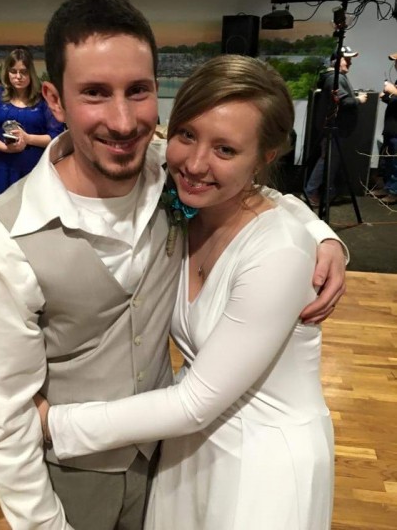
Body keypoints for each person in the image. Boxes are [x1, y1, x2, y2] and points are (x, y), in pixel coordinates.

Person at [0, 0, 346, 530]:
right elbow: (1, 415)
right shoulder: (2, 241)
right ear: (54, 99)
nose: (122, 122)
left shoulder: (170, 173)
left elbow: (253, 191)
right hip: (72, 480)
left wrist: (322, 235)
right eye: (95, 92)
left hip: (172, 463)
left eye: (137, 90)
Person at [36, 54, 335, 530]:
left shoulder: (278, 251)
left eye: (225, 150)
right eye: (186, 135)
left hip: (261, 464)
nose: (194, 164)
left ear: (265, 157)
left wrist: (52, 423)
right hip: (188, 448)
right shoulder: (187, 198)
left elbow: (193, 402)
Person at [0, 46, 64, 200]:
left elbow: (56, 136)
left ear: (31, 73)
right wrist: (5, 148)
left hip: (34, 170)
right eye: (13, 71)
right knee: (0, 211)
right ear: (7, 72)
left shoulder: (43, 100)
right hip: (1, 169)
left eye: (23, 72)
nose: (18, 76)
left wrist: (27, 138)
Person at [305, 46, 367, 207]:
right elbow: (344, 102)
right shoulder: (335, 78)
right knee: (326, 160)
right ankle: (310, 192)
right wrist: (359, 99)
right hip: (333, 128)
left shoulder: (337, 77)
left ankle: (327, 192)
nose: (350, 62)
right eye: (347, 59)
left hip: (336, 128)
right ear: (336, 61)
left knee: (331, 160)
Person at [373, 52, 397, 205]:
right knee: (388, 161)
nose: (395, 65)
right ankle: (388, 188)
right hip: (391, 128)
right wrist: (386, 97)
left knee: (395, 162)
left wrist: (393, 91)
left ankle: (394, 192)